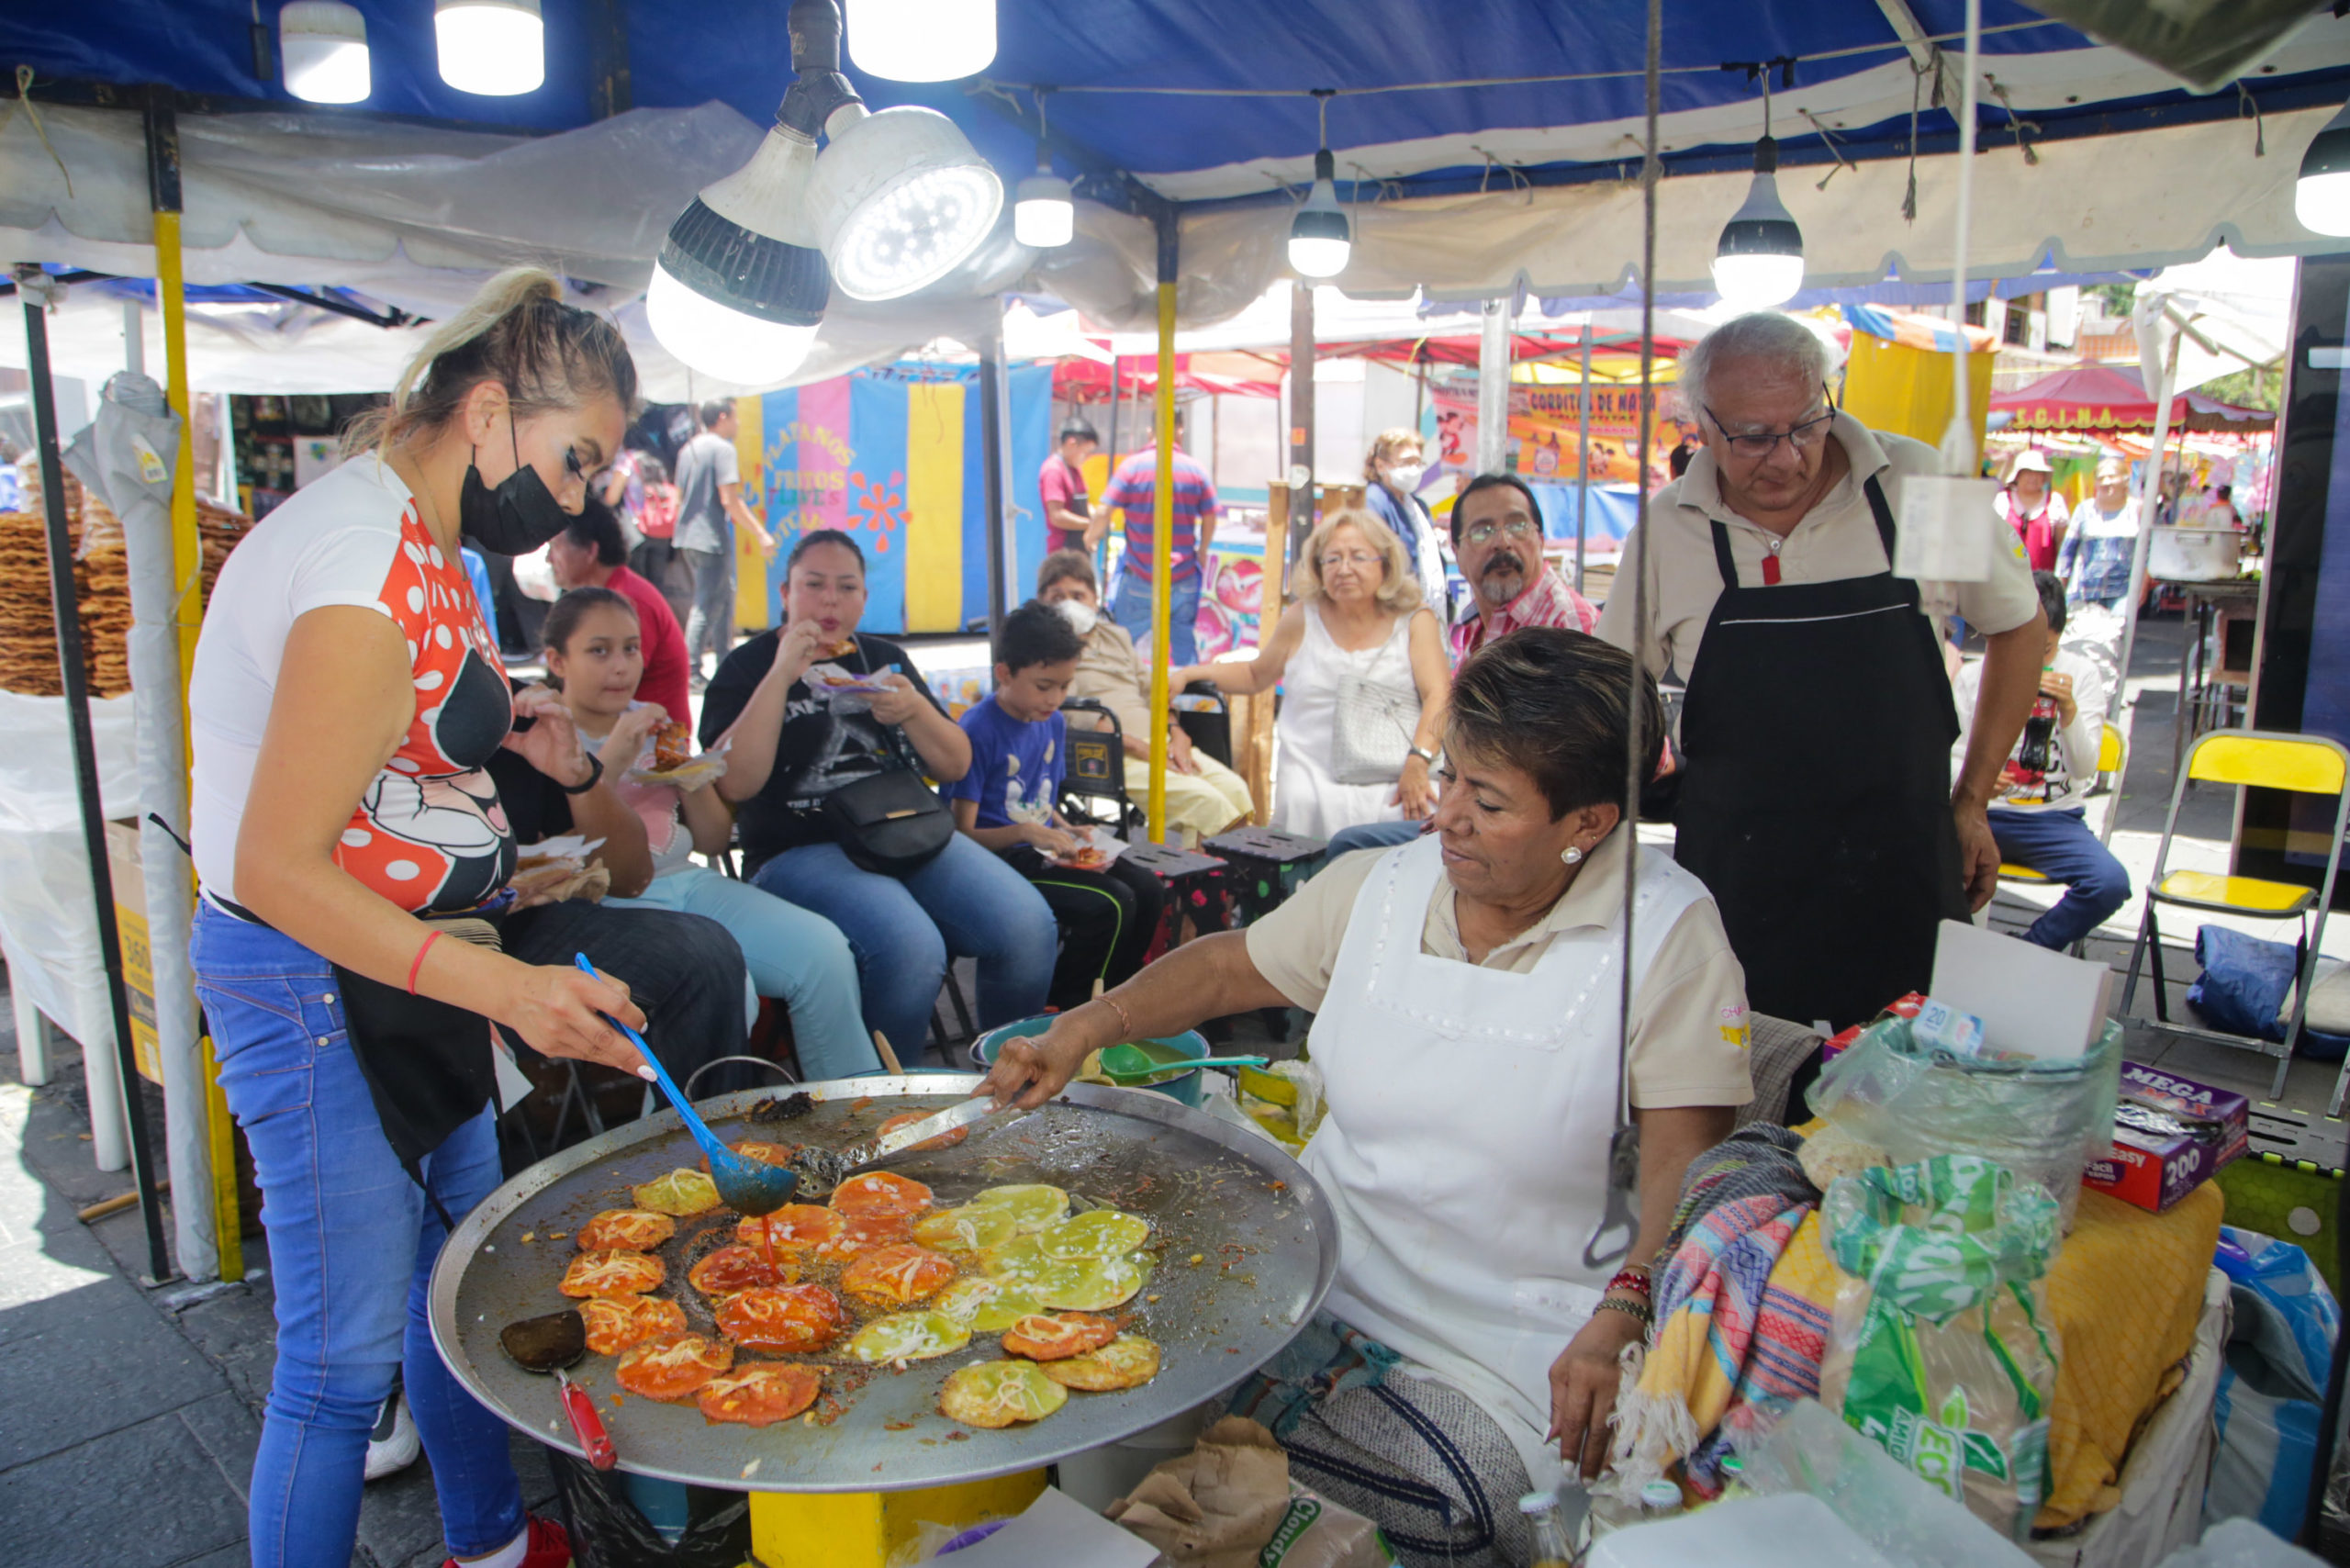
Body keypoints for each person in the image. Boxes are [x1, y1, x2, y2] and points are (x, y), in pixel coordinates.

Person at [982, 629, 1752, 1566]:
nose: (1449, 816)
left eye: (1491, 800)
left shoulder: (1666, 934)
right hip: (1316, 1276)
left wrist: (1624, 1309)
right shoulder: (1386, 885)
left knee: (1404, 1498)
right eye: (1453, 776)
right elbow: (1230, 967)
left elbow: (1690, 1162)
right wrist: (1084, 1027)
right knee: (1085, 1370)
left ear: (1587, 823)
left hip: (1517, 1341)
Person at [187, 267, 653, 1568]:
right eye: (575, 463)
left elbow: (400, 737)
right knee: (336, 1366)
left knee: (458, 1291)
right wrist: (511, 992)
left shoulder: (430, 534)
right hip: (306, 973)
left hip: (412, 963)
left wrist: (511, 762)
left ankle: (491, 1548)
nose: (578, 500)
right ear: (491, 412)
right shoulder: (356, 562)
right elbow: (277, 865)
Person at [1598, 310, 2045, 1034]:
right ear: (1701, 426)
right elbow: (1614, 683)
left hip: (1903, 866)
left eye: (1806, 425)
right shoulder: (1668, 526)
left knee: (1906, 1098)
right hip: (1740, 884)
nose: (1787, 458)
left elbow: (2021, 626)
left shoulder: (1921, 481)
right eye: (1753, 437)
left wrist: (1974, 798)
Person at [700, 529, 1058, 1058]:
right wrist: (780, 677)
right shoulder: (748, 667)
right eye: (814, 584)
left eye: (846, 588)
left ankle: (1006, 1078)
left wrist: (913, 711)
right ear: (786, 593)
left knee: (1029, 925)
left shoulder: (881, 657)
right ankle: (889, 1107)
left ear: (864, 599)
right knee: (910, 946)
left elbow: (955, 762)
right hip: (798, 849)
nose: (830, 600)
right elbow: (734, 783)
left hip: (908, 831)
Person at [539, 587, 881, 1080]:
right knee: (726, 988)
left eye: (631, 649)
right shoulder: (546, 734)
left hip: (687, 881)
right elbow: (559, 858)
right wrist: (610, 761)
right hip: (602, 905)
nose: (620, 666)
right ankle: (698, 1139)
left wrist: (690, 779)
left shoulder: (654, 722)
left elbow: (714, 841)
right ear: (557, 660)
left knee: (824, 950)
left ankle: (855, 1115)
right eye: (599, 650)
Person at [1176, 510, 1449, 841]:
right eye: (1331, 559)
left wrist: (1418, 762)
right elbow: (1254, 674)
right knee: (1301, 818)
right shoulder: (1302, 617)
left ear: (1385, 564)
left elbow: (1439, 695)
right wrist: (1188, 673)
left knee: (1416, 818)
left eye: (1358, 557)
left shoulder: (1415, 620)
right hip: (1311, 777)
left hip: (1395, 773)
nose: (1344, 569)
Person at [946, 601, 1168, 1007]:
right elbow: (962, 834)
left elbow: (1037, 801)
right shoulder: (978, 729)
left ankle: (1116, 1000)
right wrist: (1027, 832)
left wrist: (1067, 827)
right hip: (1002, 860)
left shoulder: (1052, 722)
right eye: (1044, 686)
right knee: (1112, 904)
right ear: (1005, 674)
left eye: (1065, 686)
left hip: (1044, 847)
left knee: (1149, 889)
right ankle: (1065, 1005)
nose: (1056, 698)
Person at [1953, 572, 2130, 951]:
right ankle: (1961, 957)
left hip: (2052, 819)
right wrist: (1976, 780)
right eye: (2023, 647)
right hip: (1982, 811)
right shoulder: (1973, 676)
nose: (2032, 662)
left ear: (2060, 637)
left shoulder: (2081, 674)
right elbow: (1949, 755)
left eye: (2044, 650)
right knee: (1931, 862)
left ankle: (2026, 953)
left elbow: (2085, 769)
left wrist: (2068, 712)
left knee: (2109, 882)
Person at [1036, 549, 1255, 846]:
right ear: (1043, 602)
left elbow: (1152, 688)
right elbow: (1071, 713)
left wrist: (1176, 732)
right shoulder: (1047, 649)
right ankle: (1199, 882)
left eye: (1078, 596)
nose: (1069, 605)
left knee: (1236, 791)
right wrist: (1139, 748)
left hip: (1158, 742)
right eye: (1057, 597)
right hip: (1106, 753)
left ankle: (1219, 877)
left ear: (1094, 600)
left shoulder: (1116, 635)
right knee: (1206, 802)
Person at [547, 497, 691, 722]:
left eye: (555, 546)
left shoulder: (625, 602)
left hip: (650, 744)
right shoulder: (610, 596)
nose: (548, 559)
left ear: (590, 551)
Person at [1100, 404, 1217, 666]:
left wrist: (1089, 538)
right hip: (1183, 576)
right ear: (1180, 430)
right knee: (1184, 653)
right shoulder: (1196, 470)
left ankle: (1122, 700)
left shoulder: (1131, 468)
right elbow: (1210, 516)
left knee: (1121, 651)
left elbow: (1103, 511)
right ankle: (1187, 704)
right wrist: (1202, 550)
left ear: (1150, 430)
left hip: (1140, 574)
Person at [1447, 472, 1598, 666]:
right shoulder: (1471, 624)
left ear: (1540, 541)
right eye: (1482, 532)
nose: (1502, 543)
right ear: (1457, 553)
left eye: (1517, 527)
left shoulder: (1570, 627)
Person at [672, 398, 774, 685]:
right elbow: (730, 499)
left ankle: (725, 661)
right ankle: (691, 670)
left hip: (687, 537)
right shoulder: (722, 449)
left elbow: (680, 496)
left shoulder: (688, 449)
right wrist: (760, 533)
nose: (738, 423)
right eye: (735, 417)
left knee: (722, 596)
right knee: (706, 603)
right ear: (721, 417)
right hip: (710, 537)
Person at [1360, 427, 1449, 617]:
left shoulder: (1417, 505)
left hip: (1423, 605)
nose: (1414, 469)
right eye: (1406, 462)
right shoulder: (1373, 501)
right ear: (1381, 465)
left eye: (1418, 463)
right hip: (1393, 610)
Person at [2057, 459, 2142, 610]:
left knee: (2118, 632)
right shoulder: (2084, 509)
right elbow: (2067, 551)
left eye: (2111, 476)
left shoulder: (2137, 510)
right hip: (2084, 591)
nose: (2106, 482)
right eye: (2101, 478)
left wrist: (2144, 586)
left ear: (2125, 480)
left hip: (2123, 593)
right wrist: (2060, 585)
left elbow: (2147, 553)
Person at [1996, 448, 2068, 573]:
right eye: (2028, 472)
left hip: (2042, 582)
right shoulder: (2003, 500)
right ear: (2017, 475)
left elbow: (2061, 545)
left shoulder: (2054, 502)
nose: (2033, 477)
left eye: (2038, 473)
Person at [1039, 417, 1099, 556]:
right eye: (1086, 452)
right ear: (1071, 443)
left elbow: (1085, 503)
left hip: (1080, 548)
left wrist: (1097, 517)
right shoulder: (1053, 470)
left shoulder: (1074, 469)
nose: (1087, 457)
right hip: (1063, 552)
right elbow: (1057, 516)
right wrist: (1091, 524)